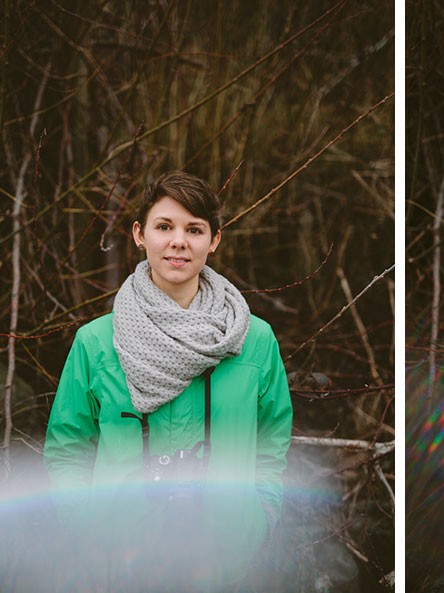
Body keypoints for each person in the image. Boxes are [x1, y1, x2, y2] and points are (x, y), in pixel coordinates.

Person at [43, 170, 293, 593]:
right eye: (165, 226)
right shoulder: (98, 343)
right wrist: (89, 524)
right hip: (121, 565)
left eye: (194, 229)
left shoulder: (254, 341)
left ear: (214, 240)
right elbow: (66, 448)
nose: (179, 241)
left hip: (225, 563)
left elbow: (273, 439)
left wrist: (260, 517)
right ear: (140, 235)